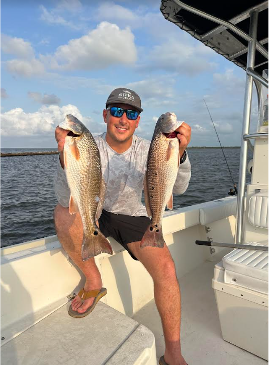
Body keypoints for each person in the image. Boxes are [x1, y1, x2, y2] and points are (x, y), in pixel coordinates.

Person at [54, 88, 192, 365]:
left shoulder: (149, 148)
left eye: (131, 113)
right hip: (95, 207)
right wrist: (64, 158)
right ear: (105, 115)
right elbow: (63, 196)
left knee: (166, 269)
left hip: (131, 214)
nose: (122, 119)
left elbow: (180, 188)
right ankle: (94, 280)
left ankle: (174, 353)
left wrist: (181, 153)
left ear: (138, 121)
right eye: (116, 111)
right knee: (62, 213)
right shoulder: (85, 144)